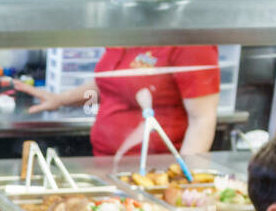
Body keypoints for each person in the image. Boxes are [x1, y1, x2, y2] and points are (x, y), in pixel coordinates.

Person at [14, 44, 220, 157]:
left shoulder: (189, 43)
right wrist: (60, 99)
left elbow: (202, 119)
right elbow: (109, 83)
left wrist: (182, 180)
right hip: (106, 163)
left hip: (153, 168)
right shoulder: (128, 32)